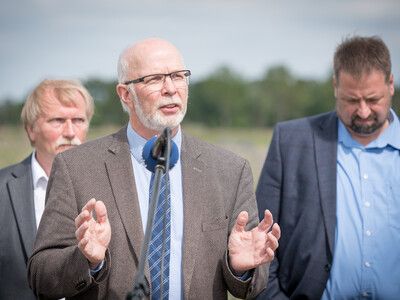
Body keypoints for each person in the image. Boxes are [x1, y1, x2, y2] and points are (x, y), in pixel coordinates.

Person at [27, 38, 281, 300]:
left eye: (179, 76)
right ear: (126, 94)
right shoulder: (76, 167)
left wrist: (240, 268)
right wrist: (87, 261)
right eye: (155, 79)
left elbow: (256, 281)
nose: (171, 89)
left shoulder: (230, 170)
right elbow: (40, 275)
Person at [255, 35, 400, 299]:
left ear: (390, 84)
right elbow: (260, 239)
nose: (364, 111)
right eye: (352, 100)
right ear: (335, 86)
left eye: (372, 99)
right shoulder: (290, 141)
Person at [0, 79, 94, 299]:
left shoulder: (106, 182)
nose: (70, 131)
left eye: (79, 120)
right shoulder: (3, 188)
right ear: (31, 129)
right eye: (57, 120)